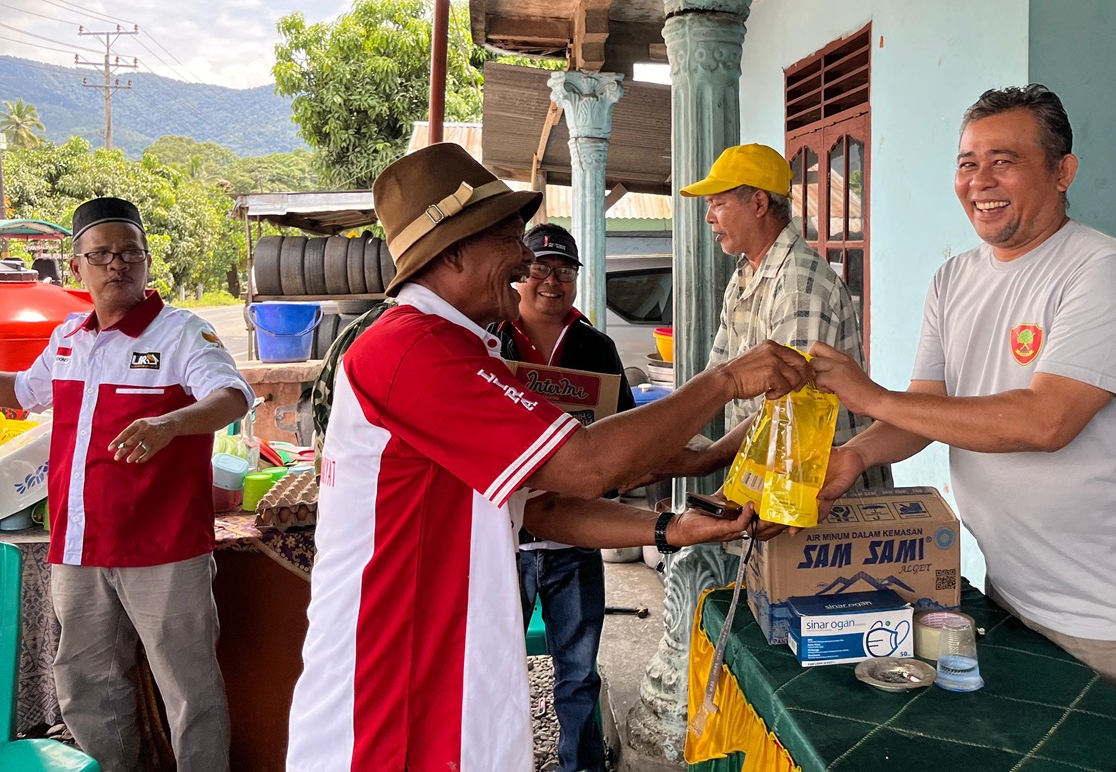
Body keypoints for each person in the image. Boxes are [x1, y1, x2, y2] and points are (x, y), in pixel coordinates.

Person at [285, 144, 810, 772]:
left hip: (441, 677)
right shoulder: (412, 350)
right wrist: (723, 382)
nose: (527, 258)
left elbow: (544, 507)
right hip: (391, 699)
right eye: (508, 236)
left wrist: (669, 528)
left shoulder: (459, 348)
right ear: (452, 253)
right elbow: (584, 463)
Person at [810, 85, 1116, 737]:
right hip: (1012, 594)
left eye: (1003, 160)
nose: (979, 181)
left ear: (1061, 171)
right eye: (967, 162)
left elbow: (1045, 421)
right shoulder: (953, 279)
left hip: (1112, 615)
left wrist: (867, 396)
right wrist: (856, 455)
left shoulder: (1104, 273)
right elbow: (925, 408)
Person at [0, 197, 253, 772]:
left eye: (130, 253)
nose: (118, 265)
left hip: (163, 548)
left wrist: (170, 423)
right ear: (76, 266)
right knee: (87, 685)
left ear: (145, 261)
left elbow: (232, 395)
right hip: (78, 546)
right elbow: (21, 392)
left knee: (188, 689)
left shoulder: (182, 332)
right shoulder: (68, 337)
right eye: (103, 254)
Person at [489, 222, 634, 772]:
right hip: (506, 541)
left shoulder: (596, 345)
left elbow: (624, 427)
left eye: (565, 271)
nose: (553, 281)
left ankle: (582, 766)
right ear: (519, 277)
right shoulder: (489, 341)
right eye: (540, 269)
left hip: (575, 539)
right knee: (497, 672)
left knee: (577, 673)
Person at [680, 143, 889, 488]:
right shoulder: (744, 275)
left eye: (718, 204)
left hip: (823, 490)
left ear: (759, 204)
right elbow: (716, 374)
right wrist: (666, 437)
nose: (709, 217)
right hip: (777, 478)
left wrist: (707, 460)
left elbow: (787, 411)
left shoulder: (799, 284)